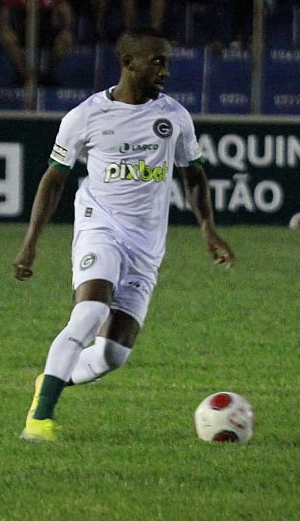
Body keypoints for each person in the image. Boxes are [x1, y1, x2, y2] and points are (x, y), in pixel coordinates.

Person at [13, 27, 235, 442]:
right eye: (157, 61)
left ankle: (51, 380)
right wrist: (30, 243)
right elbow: (53, 180)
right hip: (101, 227)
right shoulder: (85, 116)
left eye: (167, 61)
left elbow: (195, 177)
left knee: (112, 356)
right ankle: (39, 421)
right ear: (129, 63)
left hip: (146, 244)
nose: (165, 70)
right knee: (90, 313)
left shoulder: (174, 117)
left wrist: (209, 230)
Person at [0, 0, 75, 87]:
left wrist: (67, 28)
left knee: (66, 39)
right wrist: (5, 27)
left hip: (47, 31)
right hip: (23, 30)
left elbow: (65, 9)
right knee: (6, 37)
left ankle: (48, 72)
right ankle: (24, 74)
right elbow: (4, 12)